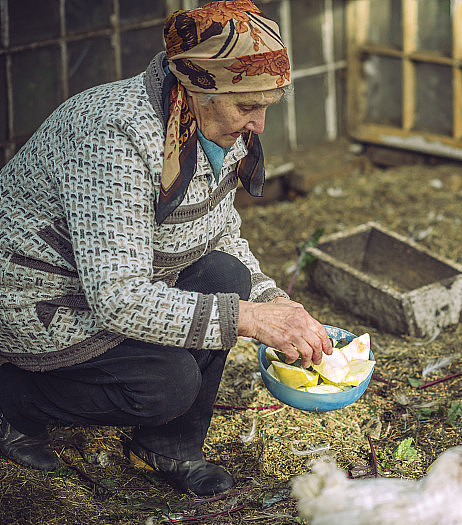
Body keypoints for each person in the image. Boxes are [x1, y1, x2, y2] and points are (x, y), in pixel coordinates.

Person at [0, 0, 332, 496]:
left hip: (117, 281)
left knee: (228, 277)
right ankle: (14, 400)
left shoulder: (209, 123)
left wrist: (270, 301)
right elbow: (117, 296)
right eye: (247, 107)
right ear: (199, 88)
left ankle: (169, 444)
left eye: (267, 106)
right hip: (39, 298)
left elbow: (218, 232)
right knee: (167, 384)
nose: (259, 125)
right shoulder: (114, 136)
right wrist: (248, 319)